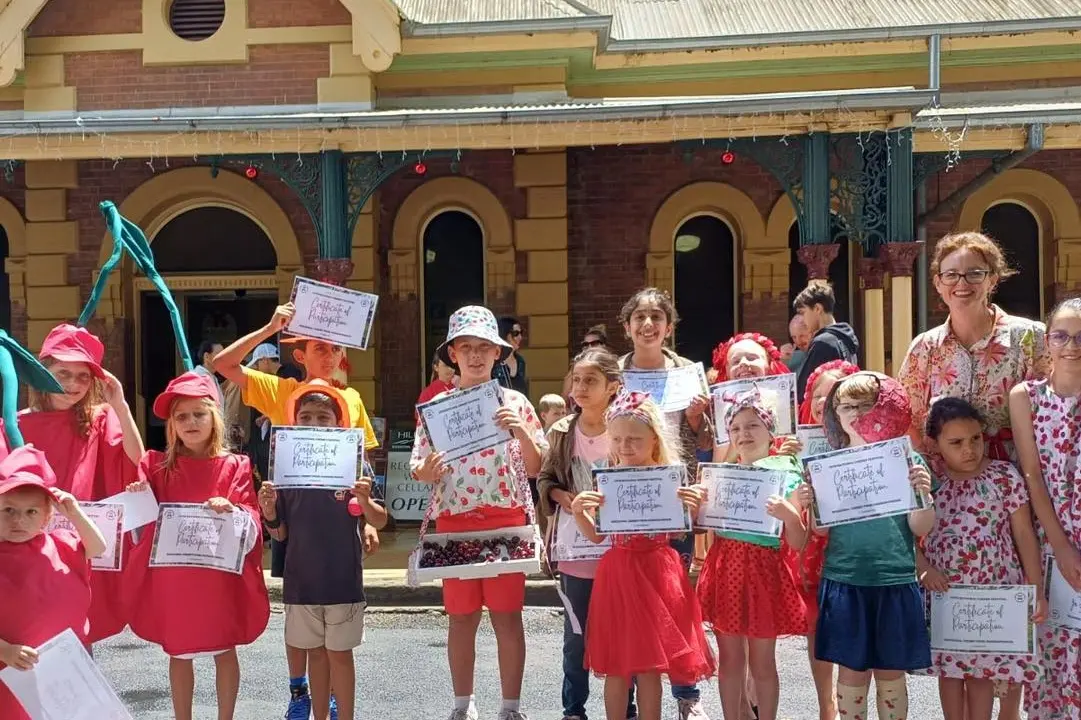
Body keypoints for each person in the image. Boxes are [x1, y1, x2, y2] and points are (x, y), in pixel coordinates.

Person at [212, 304, 380, 720]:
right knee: (300, 607)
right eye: (320, 347)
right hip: (292, 507)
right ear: (300, 354)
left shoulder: (352, 398)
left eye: (336, 348)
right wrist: (270, 326)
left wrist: (367, 516)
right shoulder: (283, 391)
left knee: (329, 626)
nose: (330, 355)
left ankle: (332, 700)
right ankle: (299, 690)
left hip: (338, 517)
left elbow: (366, 461)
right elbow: (223, 364)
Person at [411, 305, 547, 720]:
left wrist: (520, 431)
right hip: (456, 522)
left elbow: (538, 464)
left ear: (498, 353)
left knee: (508, 618)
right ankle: (462, 704)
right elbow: (419, 466)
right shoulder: (437, 408)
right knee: (461, 619)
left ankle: (510, 707)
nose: (475, 356)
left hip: (505, 520)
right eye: (466, 347)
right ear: (452, 353)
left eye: (484, 348)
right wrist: (426, 470)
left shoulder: (516, 402)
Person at [126, 371, 270, 720]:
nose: (190, 422)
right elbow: (141, 521)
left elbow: (252, 515)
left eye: (198, 414)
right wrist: (138, 499)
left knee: (224, 648)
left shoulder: (236, 465)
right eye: (181, 416)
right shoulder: (158, 467)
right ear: (172, 426)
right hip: (175, 578)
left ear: (214, 418)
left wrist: (233, 511)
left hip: (217, 576)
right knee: (179, 651)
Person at [571, 390, 715, 720]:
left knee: (651, 667)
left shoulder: (669, 477)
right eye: (618, 438)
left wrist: (692, 509)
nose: (625, 446)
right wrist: (580, 512)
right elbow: (596, 535)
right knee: (617, 667)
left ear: (653, 439)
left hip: (657, 573)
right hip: (618, 575)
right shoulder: (608, 476)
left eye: (634, 438)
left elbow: (680, 531)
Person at [259, 381, 387, 720]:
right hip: (301, 583)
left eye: (323, 417)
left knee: (340, 655)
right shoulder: (285, 472)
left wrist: (364, 500)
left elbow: (380, 518)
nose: (313, 424)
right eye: (305, 417)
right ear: (294, 421)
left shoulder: (353, 467)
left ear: (339, 422)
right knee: (315, 655)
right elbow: (280, 532)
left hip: (343, 580)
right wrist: (269, 513)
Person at [811, 372, 935, 720]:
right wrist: (812, 501)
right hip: (846, 578)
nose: (852, 413)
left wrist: (922, 494)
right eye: (844, 405)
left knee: (891, 672)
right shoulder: (829, 462)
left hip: (894, 579)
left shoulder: (906, 459)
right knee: (851, 671)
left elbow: (920, 527)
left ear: (883, 407)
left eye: (863, 405)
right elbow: (821, 531)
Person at [13, 323, 142, 644]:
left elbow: (136, 461)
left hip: (75, 548)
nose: (73, 384)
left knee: (73, 638)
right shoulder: (14, 425)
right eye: (63, 373)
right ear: (42, 373)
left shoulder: (100, 418)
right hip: (25, 549)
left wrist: (121, 406)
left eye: (83, 376)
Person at [917, 397, 1044, 720]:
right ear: (936, 444)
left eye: (975, 439)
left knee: (981, 672)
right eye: (956, 442)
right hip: (947, 594)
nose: (969, 449)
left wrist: (1035, 588)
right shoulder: (929, 481)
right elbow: (903, 533)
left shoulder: (1003, 476)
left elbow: (1024, 534)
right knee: (950, 670)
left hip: (994, 593)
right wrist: (924, 568)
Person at [616, 288, 711, 720]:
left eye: (657, 317)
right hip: (625, 501)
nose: (648, 324)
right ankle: (634, 698)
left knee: (675, 600)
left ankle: (686, 695)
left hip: (675, 499)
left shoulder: (690, 373)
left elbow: (709, 441)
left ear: (669, 326)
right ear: (627, 326)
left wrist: (696, 419)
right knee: (633, 606)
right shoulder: (614, 372)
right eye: (640, 317)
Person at [696, 389, 807, 720]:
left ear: (770, 431)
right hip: (725, 567)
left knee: (762, 661)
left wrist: (789, 514)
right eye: (736, 428)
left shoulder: (787, 475)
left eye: (753, 426)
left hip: (764, 573)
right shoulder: (719, 477)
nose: (744, 434)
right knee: (729, 659)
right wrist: (697, 504)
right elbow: (701, 527)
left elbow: (799, 542)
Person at [899, 231, 1048, 464]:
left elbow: (1052, 414)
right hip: (945, 487)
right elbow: (908, 419)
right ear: (938, 283)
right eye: (951, 275)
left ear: (992, 280)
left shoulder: (1030, 338)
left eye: (974, 274)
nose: (962, 283)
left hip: (1016, 483)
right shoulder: (924, 348)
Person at [536, 347, 622, 720]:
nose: (581, 387)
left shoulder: (626, 427)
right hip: (576, 550)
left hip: (620, 550)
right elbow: (545, 478)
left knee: (621, 633)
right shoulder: (561, 431)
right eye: (577, 380)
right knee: (577, 636)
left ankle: (625, 706)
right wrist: (562, 497)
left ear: (612, 387)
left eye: (591, 380)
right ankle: (573, 708)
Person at [1010, 297, 1081, 720]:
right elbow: (1033, 475)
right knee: (1055, 651)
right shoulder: (1027, 397)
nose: (1071, 345)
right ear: (1047, 340)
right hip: (1053, 545)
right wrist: (1063, 546)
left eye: (1080, 336)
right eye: (1061, 335)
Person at [0, 445, 106, 720]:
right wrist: (5, 650)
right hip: (11, 672)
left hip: (65, 670)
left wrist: (74, 513)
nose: (18, 520)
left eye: (31, 512)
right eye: (8, 510)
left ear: (47, 517)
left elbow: (97, 546)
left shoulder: (62, 544)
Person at [792, 359, 859, 720]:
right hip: (813, 542)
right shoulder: (800, 441)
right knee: (816, 625)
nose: (823, 401)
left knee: (851, 621)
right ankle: (825, 705)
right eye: (817, 394)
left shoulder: (863, 440)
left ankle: (852, 701)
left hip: (851, 541)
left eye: (832, 394)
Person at [792, 283, 860, 404]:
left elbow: (804, 392)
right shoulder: (845, 338)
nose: (802, 319)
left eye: (803, 312)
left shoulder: (823, 343)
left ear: (818, 308)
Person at [494, 316, 529, 395]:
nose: (520, 337)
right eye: (515, 333)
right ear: (504, 334)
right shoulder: (494, 361)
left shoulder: (520, 361)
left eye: (521, 333)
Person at [193, 340, 226, 407]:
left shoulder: (212, 376)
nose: (223, 358)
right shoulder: (199, 377)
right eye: (219, 354)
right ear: (207, 356)